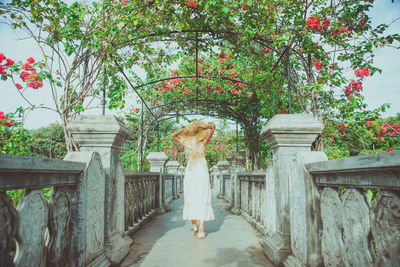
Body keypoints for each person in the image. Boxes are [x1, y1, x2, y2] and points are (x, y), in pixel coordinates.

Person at [171, 120, 216, 239]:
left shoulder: (187, 144)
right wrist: (204, 126)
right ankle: (201, 228)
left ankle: (195, 226)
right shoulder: (204, 143)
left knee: (191, 197)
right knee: (202, 196)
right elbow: (213, 127)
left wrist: (184, 129)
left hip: (191, 172)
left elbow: (173, 135)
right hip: (201, 172)